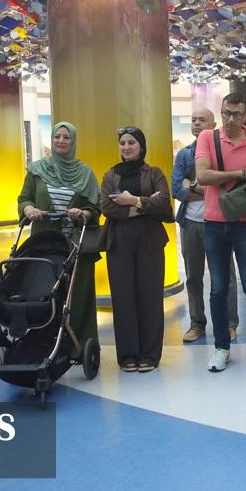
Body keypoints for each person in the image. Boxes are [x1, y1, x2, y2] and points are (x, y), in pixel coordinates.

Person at [195, 92, 246, 372]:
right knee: (218, 287)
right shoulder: (208, 138)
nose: (230, 119)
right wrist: (241, 174)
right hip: (214, 223)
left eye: (236, 114)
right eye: (226, 113)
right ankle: (221, 347)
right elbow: (203, 176)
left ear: (245, 116)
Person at [18, 121, 100, 356]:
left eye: (66, 137)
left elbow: (95, 207)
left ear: (73, 142)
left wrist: (83, 213)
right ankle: (42, 345)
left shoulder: (85, 173)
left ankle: (78, 346)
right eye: (57, 137)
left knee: (78, 294)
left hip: (76, 245)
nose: (61, 141)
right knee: (44, 293)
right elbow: (24, 198)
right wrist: (28, 209)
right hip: (44, 245)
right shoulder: (37, 170)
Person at [99, 126, 174, 373]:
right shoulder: (110, 175)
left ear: (141, 146)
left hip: (150, 239)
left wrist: (132, 200)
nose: (126, 147)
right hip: (119, 240)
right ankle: (127, 355)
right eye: (122, 143)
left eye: (131, 142)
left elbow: (164, 203)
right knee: (123, 296)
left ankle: (150, 355)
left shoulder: (154, 172)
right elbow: (106, 206)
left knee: (150, 296)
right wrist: (143, 207)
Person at [171, 108, 239, 343]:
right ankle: (197, 323)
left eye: (202, 120)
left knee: (225, 276)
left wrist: (193, 184)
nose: (196, 123)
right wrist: (207, 186)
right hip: (190, 223)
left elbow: (229, 187)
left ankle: (229, 323)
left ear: (213, 125)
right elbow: (176, 189)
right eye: (193, 120)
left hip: (219, 222)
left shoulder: (223, 151)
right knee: (193, 276)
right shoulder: (184, 155)